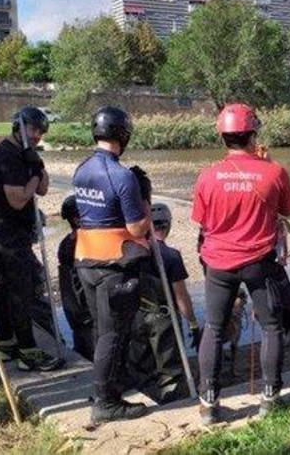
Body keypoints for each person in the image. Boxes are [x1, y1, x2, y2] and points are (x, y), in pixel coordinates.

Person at [191, 103, 290, 424]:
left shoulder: (208, 176)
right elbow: (288, 210)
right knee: (271, 326)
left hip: (218, 264)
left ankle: (209, 402)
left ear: (224, 137)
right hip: (259, 262)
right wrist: (265, 166)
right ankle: (270, 397)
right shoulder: (274, 171)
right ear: (253, 135)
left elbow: (201, 221)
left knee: (214, 327)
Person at [73, 106, 153, 424]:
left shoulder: (82, 168)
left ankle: (107, 388)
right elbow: (136, 229)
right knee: (113, 334)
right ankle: (106, 402)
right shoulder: (122, 176)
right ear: (123, 134)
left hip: (85, 260)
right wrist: (146, 205)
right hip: (113, 266)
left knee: (101, 331)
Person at [0, 106, 63, 372]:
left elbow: (44, 189)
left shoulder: (23, 154)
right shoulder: (7, 156)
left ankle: (6, 344)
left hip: (11, 231)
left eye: (40, 131)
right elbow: (17, 200)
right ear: (18, 126)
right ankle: (28, 351)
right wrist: (35, 173)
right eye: (33, 129)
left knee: (4, 287)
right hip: (3, 232)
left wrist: (37, 163)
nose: (37, 135)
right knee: (19, 290)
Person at [124, 202, 200, 403]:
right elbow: (181, 296)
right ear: (167, 225)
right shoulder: (170, 255)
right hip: (163, 317)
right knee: (170, 369)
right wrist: (193, 323)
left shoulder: (131, 250)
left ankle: (146, 398)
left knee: (140, 364)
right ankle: (174, 400)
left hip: (136, 314)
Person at [57, 195, 95, 360]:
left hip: (74, 308)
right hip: (85, 308)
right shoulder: (83, 242)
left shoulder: (66, 242)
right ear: (77, 218)